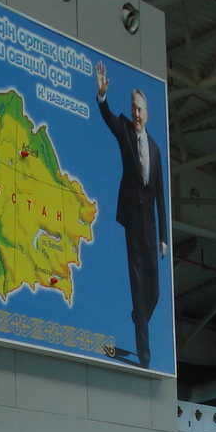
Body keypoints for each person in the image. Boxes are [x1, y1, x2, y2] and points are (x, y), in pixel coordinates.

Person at [94, 60, 167, 368]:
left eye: (140, 110)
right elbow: (108, 118)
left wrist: (164, 237)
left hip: (151, 228)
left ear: (147, 113)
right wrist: (101, 96)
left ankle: (141, 316)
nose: (136, 114)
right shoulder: (124, 129)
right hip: (131, 223)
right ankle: (144, 354)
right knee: (138, 285)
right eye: (133, 109)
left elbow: (160, 194)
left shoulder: (154, 148)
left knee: (154, 290)